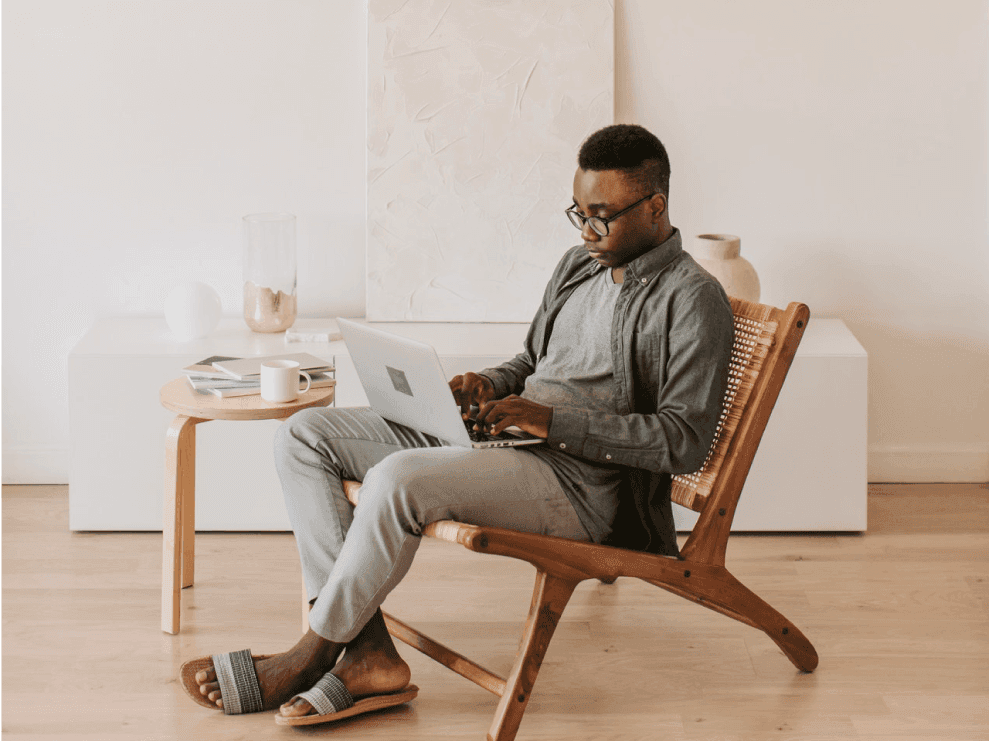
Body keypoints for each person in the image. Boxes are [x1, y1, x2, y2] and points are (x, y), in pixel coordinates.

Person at [182, 124, 734, 724]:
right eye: (578, 211)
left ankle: (312, 651)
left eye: (603, 216)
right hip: (507, 439)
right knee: (302, 436)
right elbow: (531, 363)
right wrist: (490, 385)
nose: (585, 231)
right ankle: (367, 652)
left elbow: (683, 441)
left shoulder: (692, 298)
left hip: (581, 484)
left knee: (398, 479)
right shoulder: (578, 266)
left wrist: (549, 421)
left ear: (656, 206)